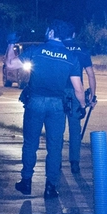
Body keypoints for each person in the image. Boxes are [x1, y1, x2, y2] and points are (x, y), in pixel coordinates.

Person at [16, 20, 86, 200]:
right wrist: (83, 106)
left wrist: (10, 45)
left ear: (52, 32)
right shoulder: (71, 58)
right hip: (57, 106)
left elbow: (10, 64)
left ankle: (26, 181)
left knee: (30, 143)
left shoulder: (36, 50)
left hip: (35, 102)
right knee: (55, 147)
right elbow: (78, 89)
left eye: (48, 30)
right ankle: (50, 187)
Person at [63, 29, 97, 174]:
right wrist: (92, 96)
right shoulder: (82, 50)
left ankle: (55, 162)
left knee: (56, 129)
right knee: (75, 129)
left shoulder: (58, 48)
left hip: (59, 91)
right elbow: (91, 75)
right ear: (74, 34)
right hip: (76, 92)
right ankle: (74, 163)